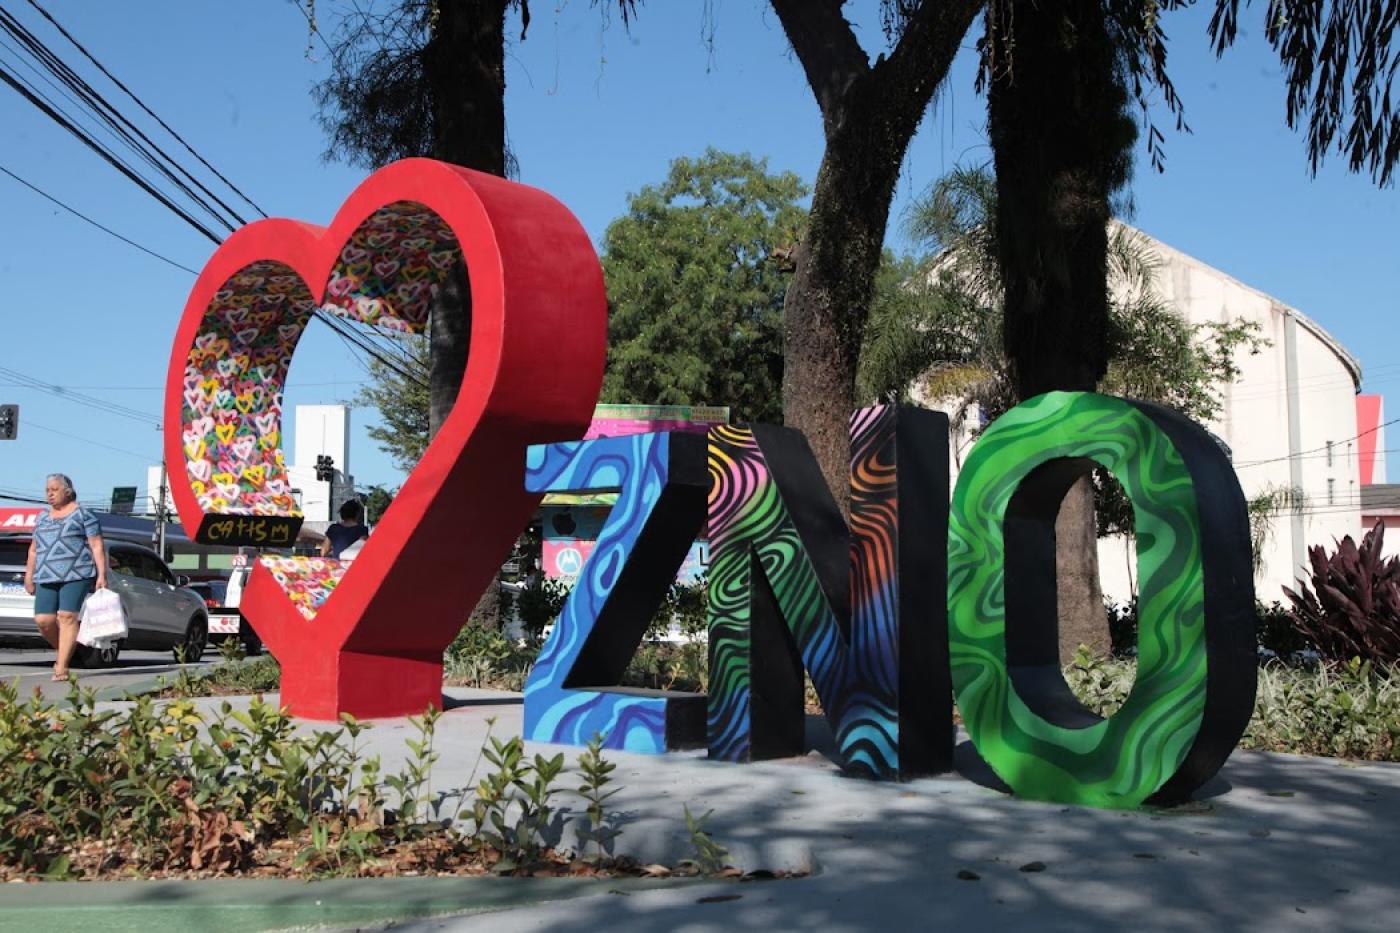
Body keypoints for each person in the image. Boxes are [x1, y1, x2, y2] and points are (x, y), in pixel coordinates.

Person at [22, 473, 107, 681]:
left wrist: (101, 574)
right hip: (46, 574)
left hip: (77, 573)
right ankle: (68, 649)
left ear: (67, 491)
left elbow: (96, 545)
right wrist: (29, 574)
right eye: (47, 490)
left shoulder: (83, 514)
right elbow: (34, 549)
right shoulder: (42, 517)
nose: (50, 494)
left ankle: (62, 666)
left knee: (67, 617)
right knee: (43, 620)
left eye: (54, 490)